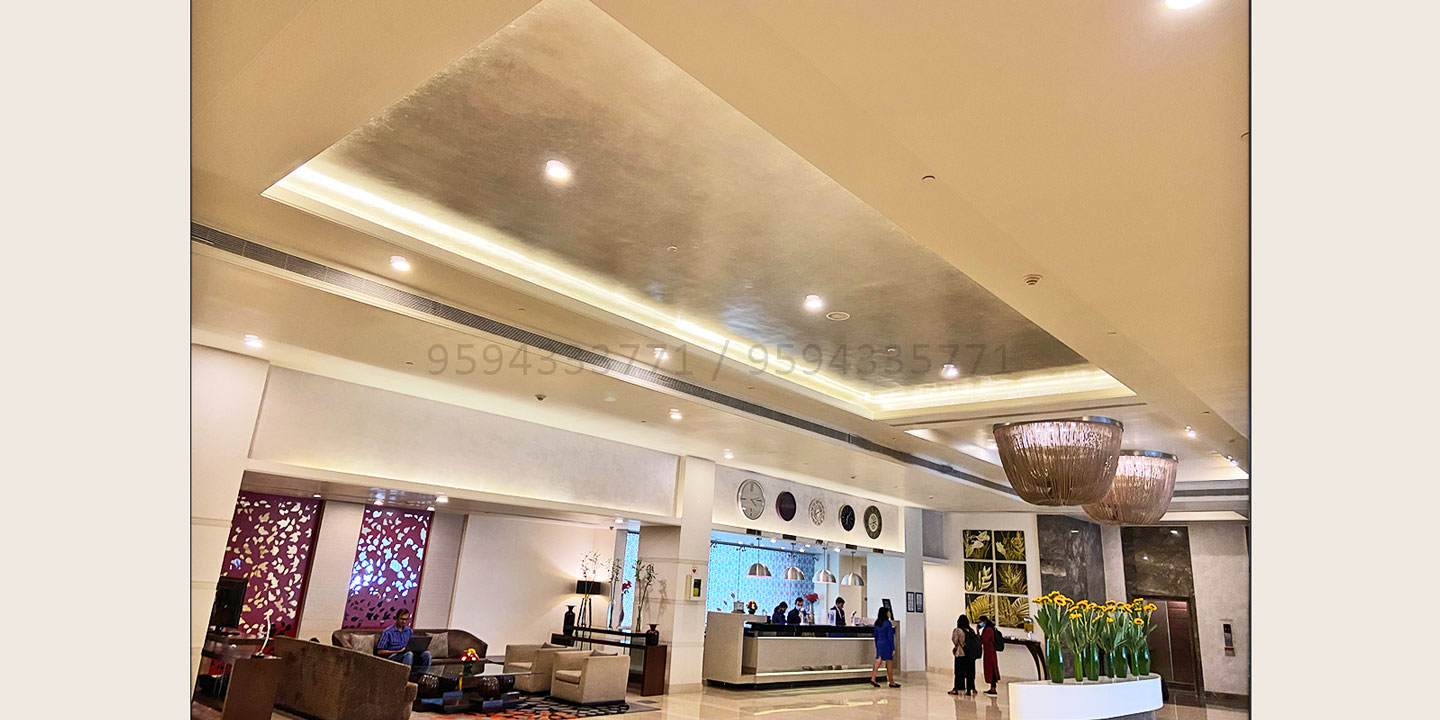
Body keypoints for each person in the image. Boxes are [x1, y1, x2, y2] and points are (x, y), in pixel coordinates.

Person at [949, 614, 980, 696]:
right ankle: (970, 689)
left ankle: (957, 688)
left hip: (961, 654)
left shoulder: (958, 630)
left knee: (959, 672)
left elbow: (955, 641)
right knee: (970, 672)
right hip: (970, 654)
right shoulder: (971, 630)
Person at [868, 606, 899, 688]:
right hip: (886, 644)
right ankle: (891, 682)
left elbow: (876, 635)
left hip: (879, 643)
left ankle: (873, 678)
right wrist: (892, 648)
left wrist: (876, 645)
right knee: (889, 663)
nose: (889, 613)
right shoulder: (888, 623)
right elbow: (890, 637)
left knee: (878, 660)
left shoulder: (877, 623)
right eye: (888, 612)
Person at [978, 615, 1000, 696]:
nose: (980, 624)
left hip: (990, 652)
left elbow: (983, 640)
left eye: (980, 622)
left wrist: (978, 632)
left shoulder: (988, 630)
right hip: (989, 651)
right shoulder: (988, 629)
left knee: (992, 669)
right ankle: (992, 687)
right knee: (990, 668)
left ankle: (993, 688)